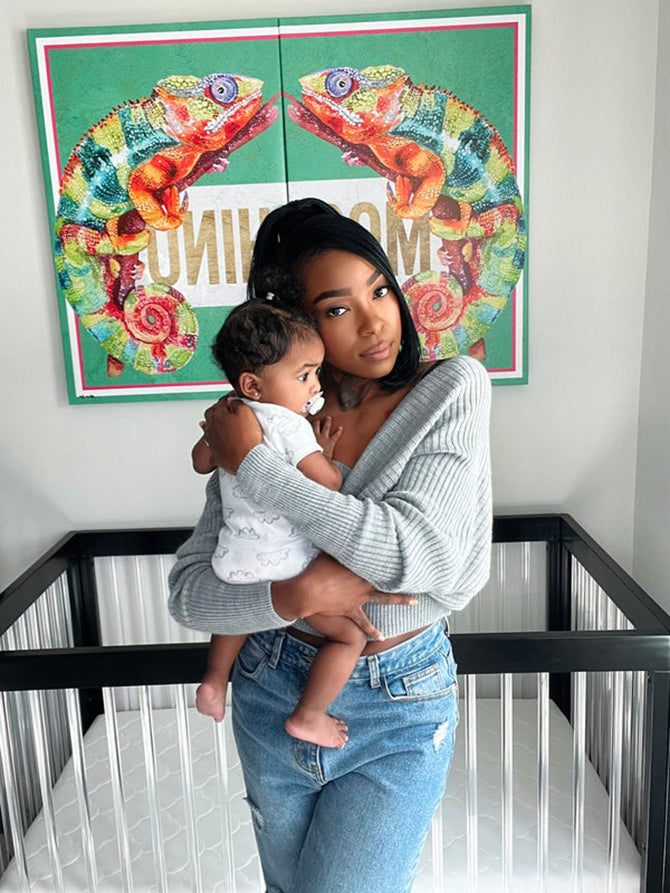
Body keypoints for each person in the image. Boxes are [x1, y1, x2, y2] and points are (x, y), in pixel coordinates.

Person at [169, 197, 492, 893]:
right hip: (267, 682)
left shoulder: (449, 391)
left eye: (379, 289)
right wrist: (301, 592)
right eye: (338, 307)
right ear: (296, 321)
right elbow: (191, 591)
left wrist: (254, 466)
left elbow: (420, 560)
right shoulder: (268, 414)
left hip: (397, 696)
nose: (378, 320)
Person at [193, 296, 376, 749]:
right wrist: (327, 456)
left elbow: (200, 462)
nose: (315, 385)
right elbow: (328, 484)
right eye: (304, 375)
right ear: (253, 384)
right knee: (350, 639)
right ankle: (310, 715)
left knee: (236, 619)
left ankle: (215, 681)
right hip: (291, 566)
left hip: (236, 557)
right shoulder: (290, 425)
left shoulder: (231, 414)